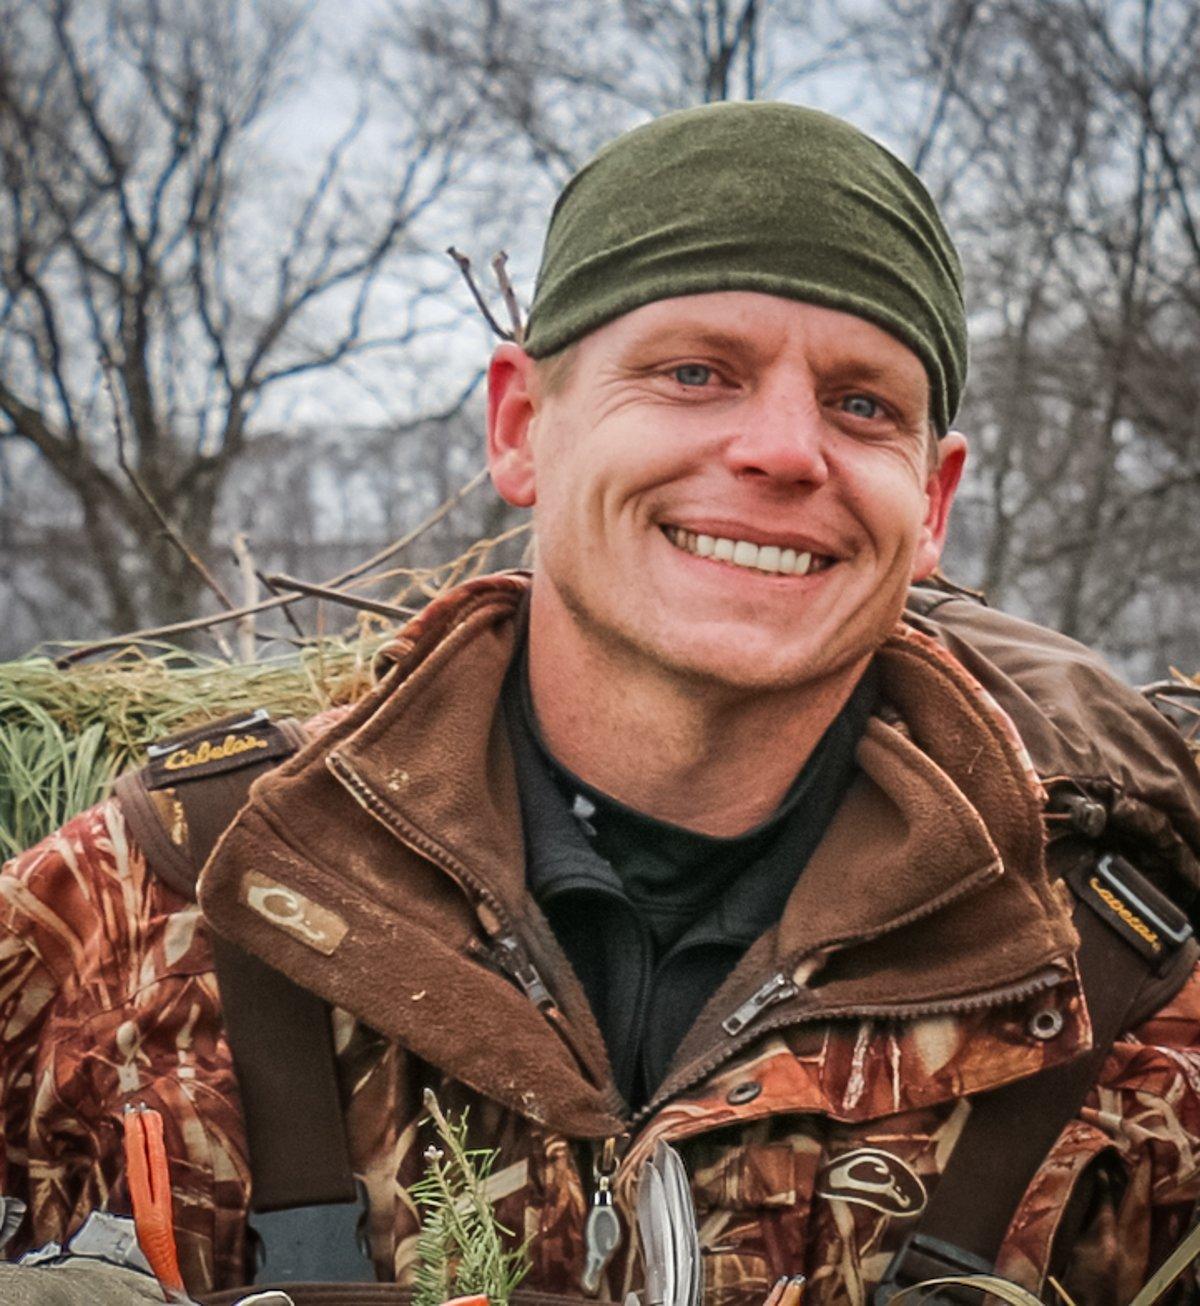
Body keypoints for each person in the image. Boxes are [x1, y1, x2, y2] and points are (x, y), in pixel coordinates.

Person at [2, 101, 1200, 1306]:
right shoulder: (149, 912)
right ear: (522, 427)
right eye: (694, 373)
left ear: (932, 505)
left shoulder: (1115, 1002)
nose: (787, 449)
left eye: (863, 405)